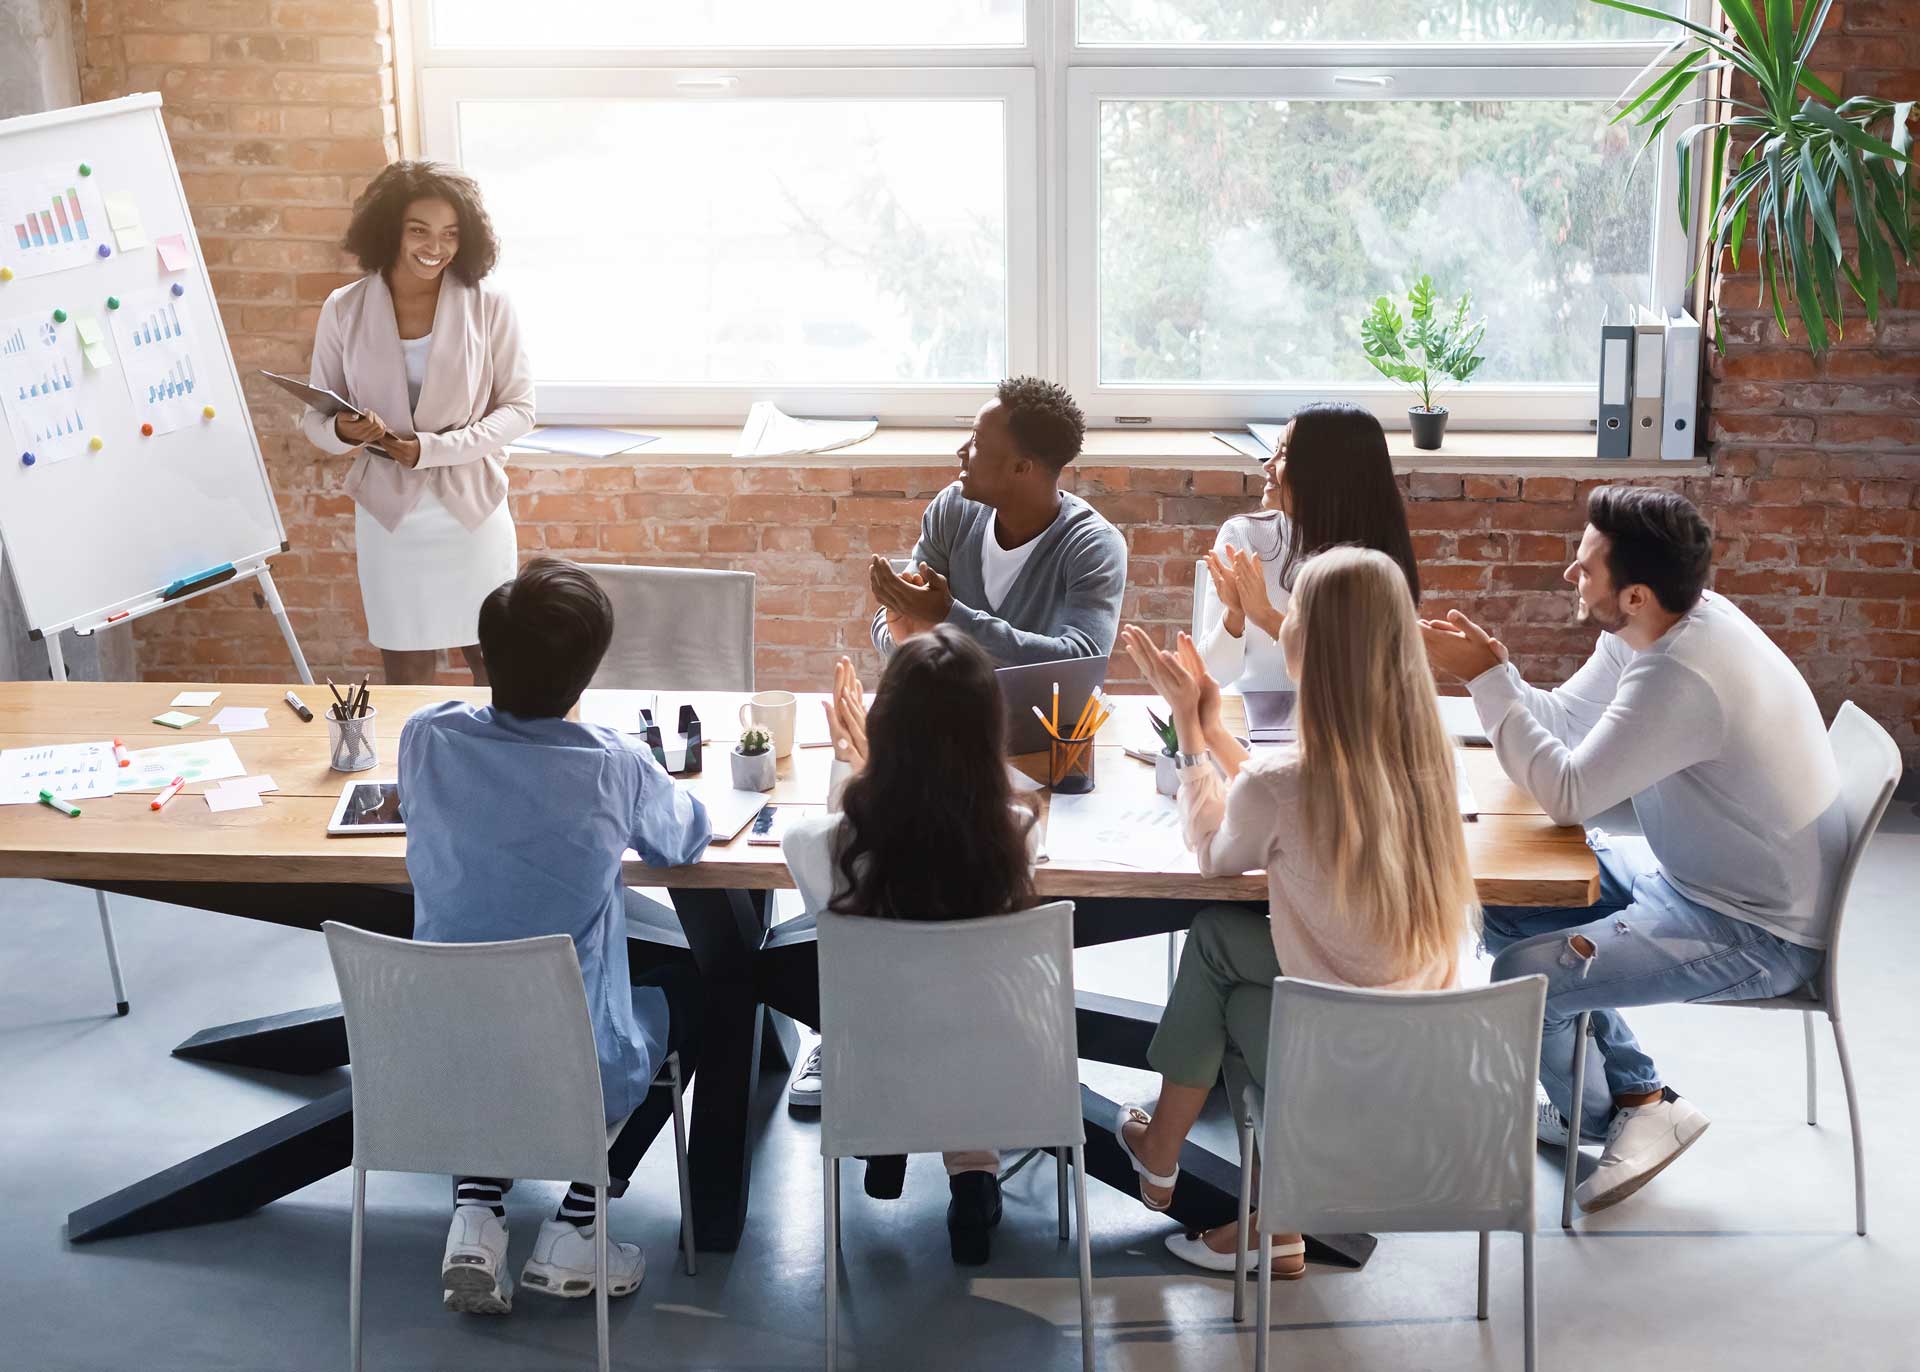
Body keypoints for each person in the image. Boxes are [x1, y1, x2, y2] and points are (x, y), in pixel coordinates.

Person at [1421, 486, 1836, 1214]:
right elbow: (1569, 720)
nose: (1568, 577)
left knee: (1525, 980)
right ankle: (1639, 1096)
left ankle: (1605, 1117)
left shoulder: (1683, 675)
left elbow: (1570, 793)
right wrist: (1497, 670)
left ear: (1636, 593)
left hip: (1754, 929)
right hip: (1692, 878)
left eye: (1584, 569)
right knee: (1511, 906)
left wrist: (1484, 681)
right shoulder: (1658, 627)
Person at [1113, 547, 1476, 1274]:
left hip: (1335, 1045)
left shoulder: (1289, 780)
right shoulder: (1429, 756)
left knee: (1217, 945)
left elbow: (1217, 853)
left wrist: (1187, 730)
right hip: (1425, 1046)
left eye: (1295, 611)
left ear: (1312, 641)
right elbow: (1298, 802)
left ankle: (1213, 1184)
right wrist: (1219, 732)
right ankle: (1263, 1216)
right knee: (1228, 953)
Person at [398, 557, 712, 1315]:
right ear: (589, 673)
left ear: (480, 657)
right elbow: (684, 841)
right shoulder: (615, 765)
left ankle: (477, 1212)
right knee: (701, 989)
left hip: (432, 1052)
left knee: (486, 1000)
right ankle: (579, 1222)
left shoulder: (424, 737)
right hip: (569, 1059)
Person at [781, 627, 1043, 1265]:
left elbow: (826, 851)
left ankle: (891, 1139)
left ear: (885, 722)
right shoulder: (1019, 833)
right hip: (999, 1066)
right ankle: (974, 1178)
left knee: (896, 1001)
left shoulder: (817, 843)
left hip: (876, 1064)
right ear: (989, 735)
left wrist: (854, 764)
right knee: (967, 1006)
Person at [300, 160, 534, 686]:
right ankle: (420, 765)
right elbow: (315, 417)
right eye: (419, 230)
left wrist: (429, 449)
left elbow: (519, 409)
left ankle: (491, 765)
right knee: (405, 666)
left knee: (493, 661)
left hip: (470, 509)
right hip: (390, 516)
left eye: (451, 234)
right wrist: (343, 431)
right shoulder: (344, 308)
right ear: (389, 230)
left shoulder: (490, 305)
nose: (436, 247)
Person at [868, 377, 1126, 667]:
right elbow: (895, 619)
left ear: (1021, 467)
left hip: (1042, 714)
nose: (962, 451)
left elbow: (1081, 661)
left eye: (977, 441)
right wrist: (904, 638)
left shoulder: (1092, 546)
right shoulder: (952, 510)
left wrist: (949, 617)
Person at [1197, 402, 1421, 691]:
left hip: (1347, 725)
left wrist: (1266, 616)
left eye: (1285, 455)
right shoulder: (1242, 537)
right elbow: (1212, 677)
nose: (1268, 465)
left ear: (1330, 472)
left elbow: (1360, 680)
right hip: (1254, 724)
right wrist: (1235, 615)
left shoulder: (1372, 564)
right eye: (1274, 449)